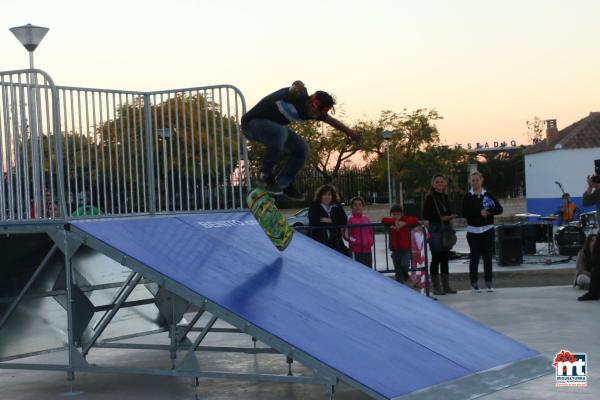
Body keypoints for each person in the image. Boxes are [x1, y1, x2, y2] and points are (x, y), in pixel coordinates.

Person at [241, 81, 360, 201]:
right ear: (311, 102)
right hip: (251, 124)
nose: (314, 117)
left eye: (317, 115)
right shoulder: (297, 97)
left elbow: (331, 121)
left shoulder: (313, 112)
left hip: (271, 129)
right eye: (314, 113)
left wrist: (350, 132)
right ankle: (264, 175)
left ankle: (284, 183)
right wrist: (294, 87)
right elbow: (291, 91)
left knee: (302, 148)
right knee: (280, 133)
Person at [462, 171, 503, 293]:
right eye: (473, 180)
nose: (475, 182)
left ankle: (488, 282)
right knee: (474, 257)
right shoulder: (467, 196)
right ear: (470, 181)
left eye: (477, 180)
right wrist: (479, 212)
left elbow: (499, 209)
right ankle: (474, 283)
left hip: (487, 230)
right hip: (473, 231)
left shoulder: (488, 195)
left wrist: (489, 211)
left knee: (487, 257)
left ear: (481, 180)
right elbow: (464, 213)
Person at [422, 174, 458, 295]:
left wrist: (449, 217)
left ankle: (446, 286)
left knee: (445, 258)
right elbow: (426, 215)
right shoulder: (430, 198)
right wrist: (441, 217)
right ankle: (436, 287)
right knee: (436, 258)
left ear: (445, 183)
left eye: (441, 182)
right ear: (433, 184)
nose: (440, 184)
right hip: (435, 229)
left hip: (445, 228)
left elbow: (448, 211)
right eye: (437, 182)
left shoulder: (445, 197)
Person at [382, 204, 419, 284]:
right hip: (395, 250)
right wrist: (394, 222)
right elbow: (383, 220)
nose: (395, 216)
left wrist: (404, 223)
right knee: (398, 270)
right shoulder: (390, 222)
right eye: (393, 214)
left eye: (398, 214)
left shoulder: (405, 220)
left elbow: (415, 220)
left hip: (405, 250)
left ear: (402, 214)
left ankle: (405, 274)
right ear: (391, 214)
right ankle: (399, 286)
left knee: (405, 265)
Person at [307, 184, 348, 254]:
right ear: (320, 196)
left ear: (332, 196)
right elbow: (314, 220)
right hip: (319, 243)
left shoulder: (337, 206)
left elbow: (344, 220)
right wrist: (335, 222)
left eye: (329, 195)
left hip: (336, 243)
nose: (327, 197)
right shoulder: (314, 205)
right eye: (324, 194)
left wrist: (331, 220)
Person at [578, 175, 600, 300]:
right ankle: (594, 292)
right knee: (596, 262)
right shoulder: (598, 192)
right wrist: (590, 187)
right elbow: (586, 202)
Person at [343, 197, 373, 268]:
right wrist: (356, 241)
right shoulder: (349, 219)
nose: (357, 207)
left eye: (359, 205)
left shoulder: (366, 218)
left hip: (368, 250)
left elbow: (371, 232)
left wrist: (371, 241)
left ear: (362, 206)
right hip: (355, 250)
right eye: (355, 205)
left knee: (369, 272)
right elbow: (345, 234)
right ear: (352, 207)